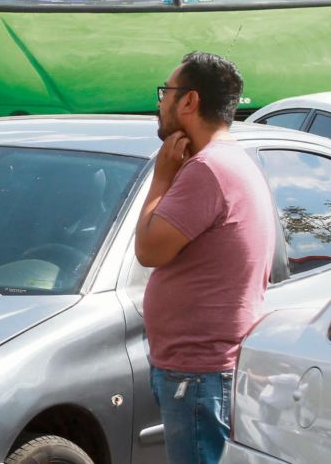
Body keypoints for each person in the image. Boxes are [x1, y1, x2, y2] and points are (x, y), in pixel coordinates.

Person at [134, 51, 278, 464]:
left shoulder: (207, 170)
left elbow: (148, 249)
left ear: (189, 101)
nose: (159, 104)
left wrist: (162, 177)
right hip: (204, 371)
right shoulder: (228, 160)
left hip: (199, 373)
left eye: (166, 93)